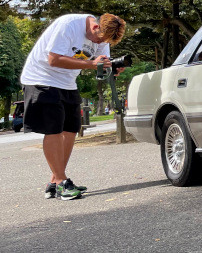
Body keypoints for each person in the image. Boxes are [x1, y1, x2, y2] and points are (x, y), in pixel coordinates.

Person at [20, 13, 126, 200]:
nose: (99, 44)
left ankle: (54, 182)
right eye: (98, 39)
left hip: (68, 82)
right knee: (53, 130)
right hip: (41, 78)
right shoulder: (68, 25)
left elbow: (100, 64)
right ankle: (62, 182)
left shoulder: (103, 37)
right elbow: (53, 59)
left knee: (70, 129)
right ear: (95, 27)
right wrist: (91, 64)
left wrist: (111, 68)